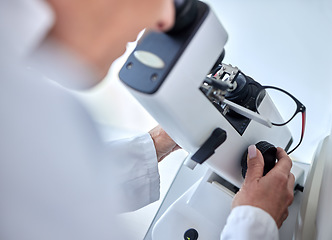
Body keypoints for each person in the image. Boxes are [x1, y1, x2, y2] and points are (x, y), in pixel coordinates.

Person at [0, 0, 294, 239]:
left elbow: (59, 187)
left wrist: (158, 141)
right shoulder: (28, 111)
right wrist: (256, 222)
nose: (162, 20)